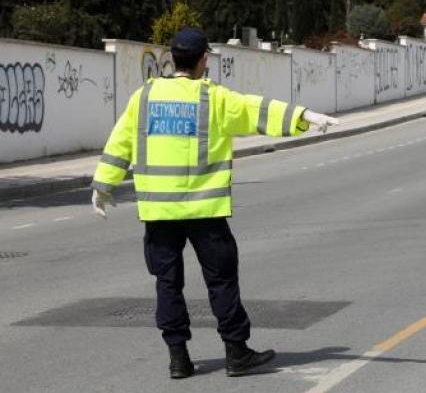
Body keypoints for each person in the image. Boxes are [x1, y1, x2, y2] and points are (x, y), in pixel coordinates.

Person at [90, 27, 339, 379]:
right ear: (204, 59)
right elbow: (257, 110)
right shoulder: (213, 99)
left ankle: (178, 358)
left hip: (159, 213)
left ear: (171, 59)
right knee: (221, 281)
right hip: (206, 212)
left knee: (167, 283)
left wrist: (103, 187)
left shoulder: (144, 97)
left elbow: (120, 143)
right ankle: (236, 353)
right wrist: (305, 117)